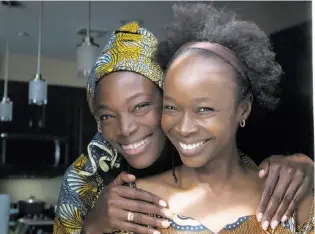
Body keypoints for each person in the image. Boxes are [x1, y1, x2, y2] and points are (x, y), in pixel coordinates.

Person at [53, 21, 314, 234]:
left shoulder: (237, 149)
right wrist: (94, 225)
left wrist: (304, 165)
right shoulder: (84, 181)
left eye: (141, 106)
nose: (125, 129)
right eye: (107, 116)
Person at [124, 2, 313, 233]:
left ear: (243, 109)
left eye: (204, 109)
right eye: (171, 108)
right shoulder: (135, 204)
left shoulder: (290, 198)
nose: (183, 128)